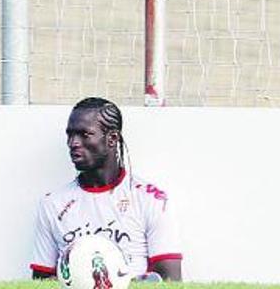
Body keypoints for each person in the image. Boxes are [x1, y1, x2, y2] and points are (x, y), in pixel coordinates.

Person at [30, 97, 183, 281]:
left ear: (112, 138)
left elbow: (170, 280)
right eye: (70, 135)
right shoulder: (52, 204)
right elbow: (40, 282)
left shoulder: (151, 199)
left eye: (84, 134)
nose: (73, 143)